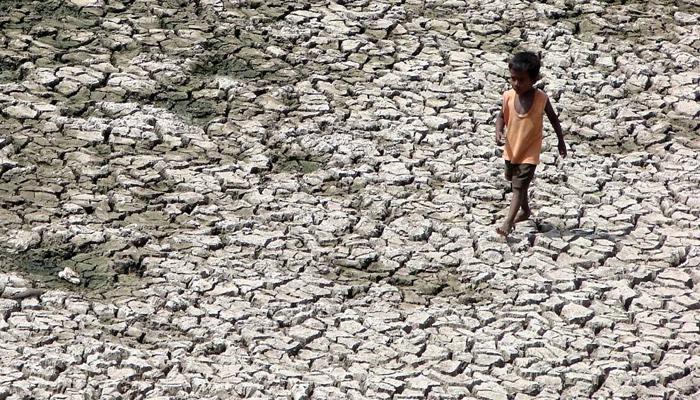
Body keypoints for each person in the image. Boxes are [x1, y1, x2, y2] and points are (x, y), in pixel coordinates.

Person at [495, 51, 567, 237]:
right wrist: (498, 132)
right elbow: (501, 117)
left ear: (534, 79)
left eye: (522, 80)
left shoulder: (540, 98)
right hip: (511, 149)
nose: (516, 84)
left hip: (529, 152)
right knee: (514, 182)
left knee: (519, 187)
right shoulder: (509, 96)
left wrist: (560, 140)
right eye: (513, 79)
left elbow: (553, 119)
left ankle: (508, 222)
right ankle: (525, 211)